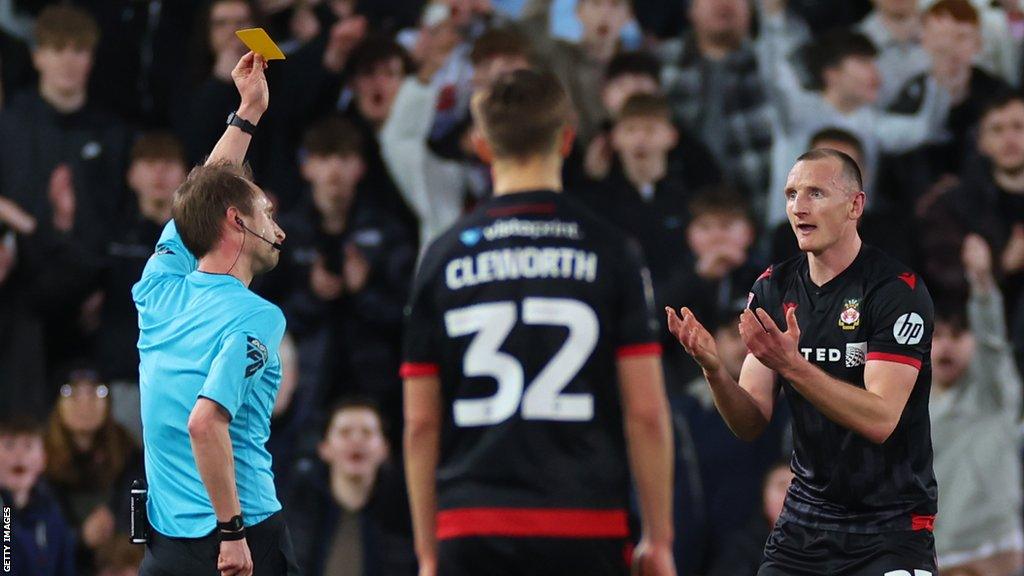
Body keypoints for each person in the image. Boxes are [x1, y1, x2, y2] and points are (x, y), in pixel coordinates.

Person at [402, 69, 676, 576]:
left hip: (473, 522)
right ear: (568, 140)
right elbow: (646, 414)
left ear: (482, 147)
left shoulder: (440, 258)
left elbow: (421, 424)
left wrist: (426, 552)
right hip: (584, 519)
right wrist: (658, 538)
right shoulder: (611, 250)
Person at [667, 148, 938, 575]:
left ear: (855, 205)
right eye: (791, 194)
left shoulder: (895, 291)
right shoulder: (773, 288)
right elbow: (751, 420)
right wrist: (715, 370)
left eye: (816, 193)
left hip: (890, 529)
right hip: (804, 526)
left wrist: (792, 366)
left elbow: (881, 419)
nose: (799, 207)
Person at [134, 51, 298, 576]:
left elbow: (205, 195)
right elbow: (206, 423)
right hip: (242, 538)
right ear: (237, 221)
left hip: (166, 543)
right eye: (267, 214)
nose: (278, 230)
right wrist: (233, 534)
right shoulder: (257, 316)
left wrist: (247, 114)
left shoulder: (157, 288)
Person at [930, 235, 1023, 576]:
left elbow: (993, 343)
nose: (946, 347)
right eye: (937, 336)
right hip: (935, 556)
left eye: (957, 336)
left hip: (994, 552)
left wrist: (982, 284)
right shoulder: (906, 405)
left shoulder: (995, 393)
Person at [287, 397, 416, 576]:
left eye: (367, 432)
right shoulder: (299, 514)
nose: (356, 441)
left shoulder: (404, 517)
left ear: (384, 449)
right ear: (324, 448)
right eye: (345, 432)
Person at [43, 366, 142, 572]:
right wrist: (80, 536)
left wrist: (120, 531)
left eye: (97, 392)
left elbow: (138, 509)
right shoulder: (40, 458)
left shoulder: (126, 448)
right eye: (72, 392)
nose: (85, 402)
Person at [0, 416, 76, 576]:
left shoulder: (51, 514)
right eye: (9, 445)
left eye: (28, 446)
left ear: (43, 459)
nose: (19, 455)